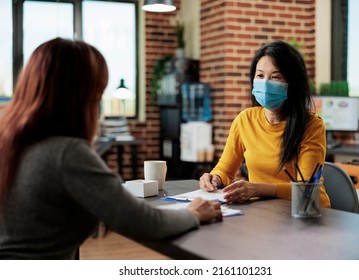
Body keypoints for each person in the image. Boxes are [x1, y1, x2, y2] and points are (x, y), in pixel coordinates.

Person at [0, 38, 222, 260]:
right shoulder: (67, 152)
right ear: (81, 96)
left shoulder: (9, 139)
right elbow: (141, 221)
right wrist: (192, 213)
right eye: (98, 91)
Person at [199, 40, 331, 207]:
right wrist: (214, 179)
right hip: (264, 213)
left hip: (306, 213)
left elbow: (307, 189)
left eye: (275, 77)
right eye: (260, 75)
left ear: (292, 83)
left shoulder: (311, 125)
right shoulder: (244, 119)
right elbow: (225, 170)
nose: (266, 82)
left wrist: (257, 189)